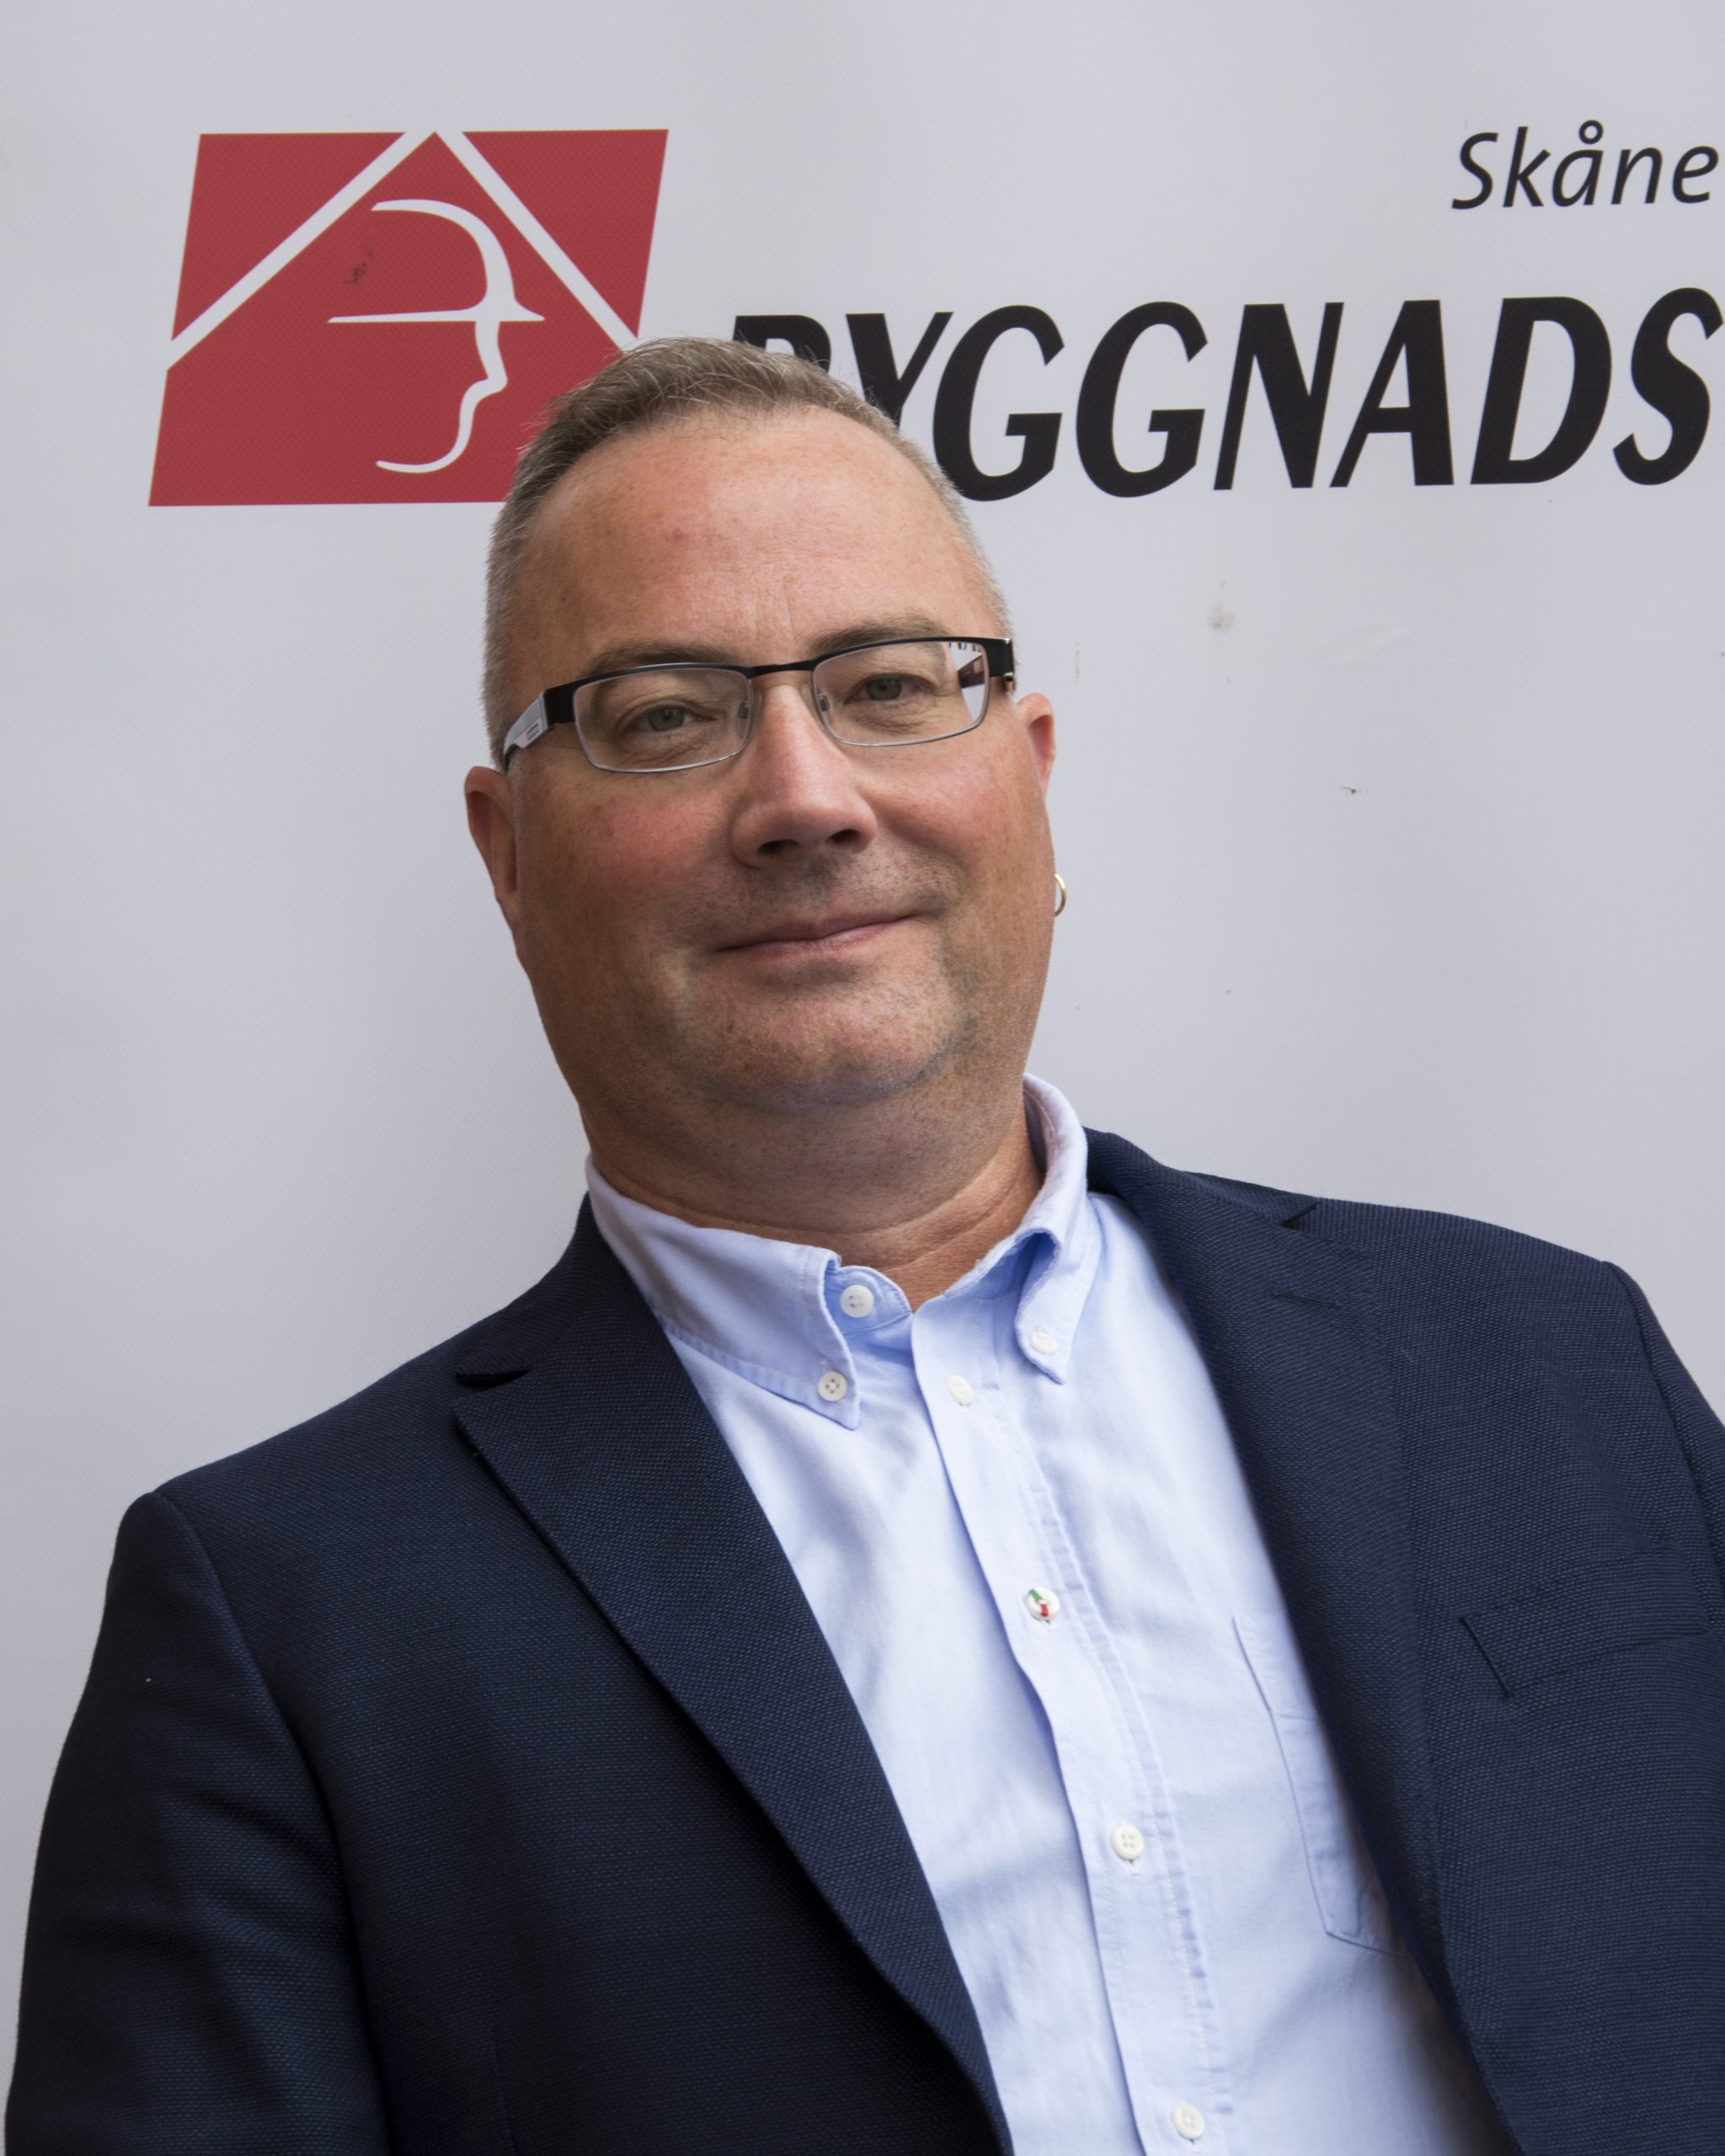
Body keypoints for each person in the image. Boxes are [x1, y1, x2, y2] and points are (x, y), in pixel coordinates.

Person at [8, 339, 1722, 2156]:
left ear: (1030, 772)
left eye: (892, 686)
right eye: (663, 715)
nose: (808, 796)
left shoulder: (1544, 1357)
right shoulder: (283, 1620)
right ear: (508, 856)